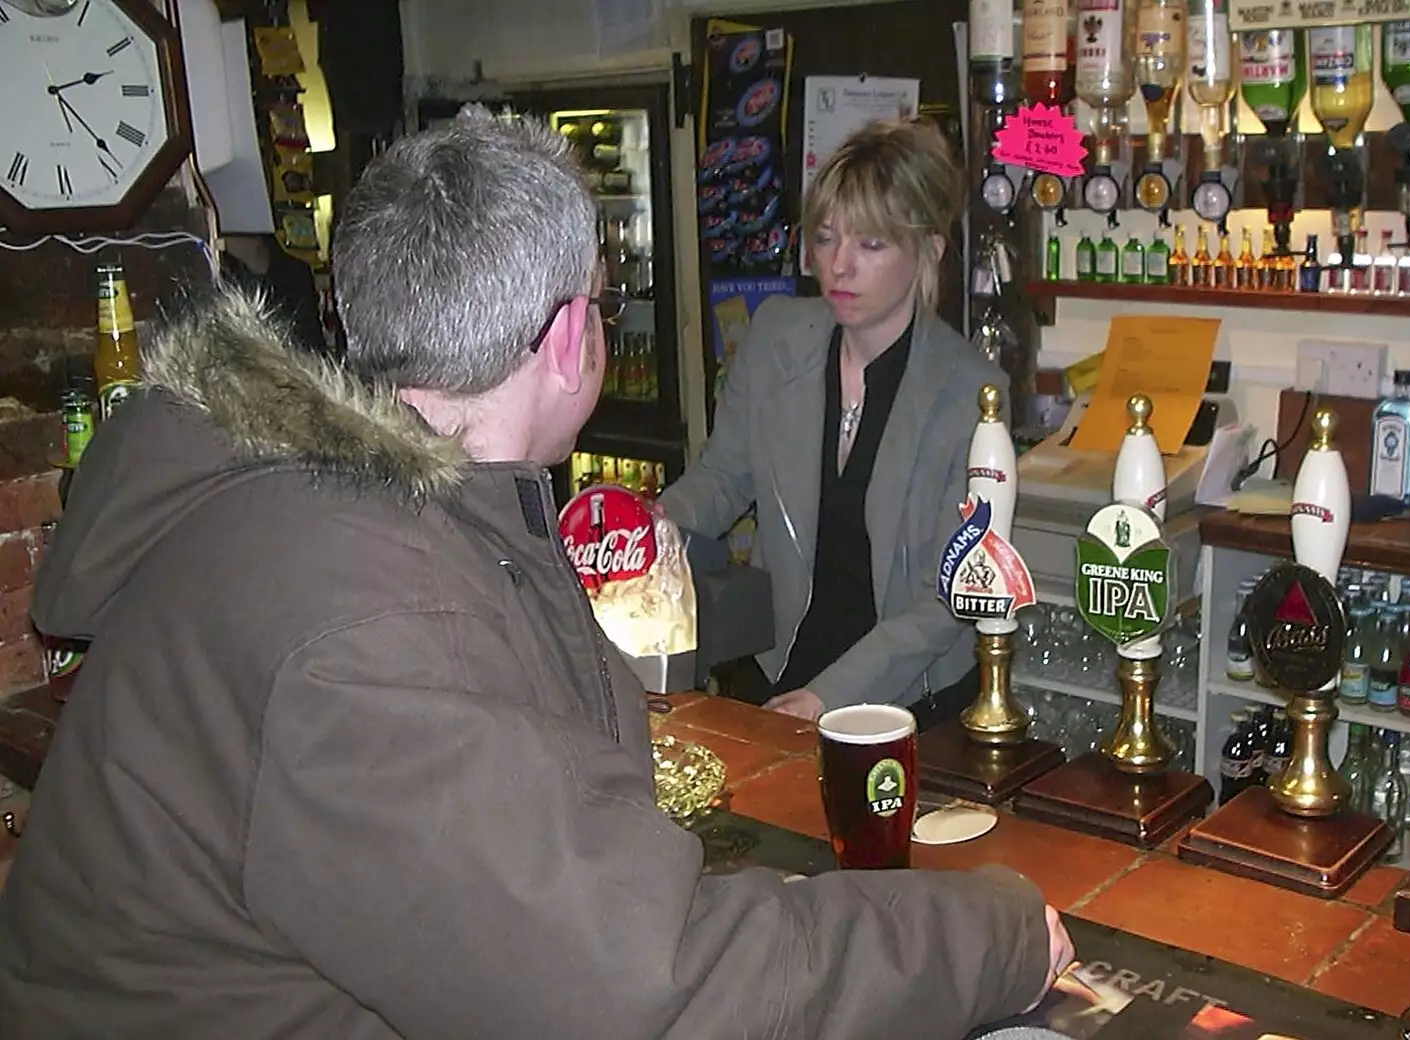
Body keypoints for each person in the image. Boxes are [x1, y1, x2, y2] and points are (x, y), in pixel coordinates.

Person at [0, 110, 1072, 1038]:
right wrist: (997, 930)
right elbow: (653, 995)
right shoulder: (371, 615)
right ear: (570, 337)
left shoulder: (335, 504)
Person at [661, 119, 999, 725]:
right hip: (780, 667)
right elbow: (723, 477)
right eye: (824, 238)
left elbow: (949, 599)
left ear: (929, 250)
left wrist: (828, 699)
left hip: (908, 698)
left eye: (870, 244)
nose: (839, 265)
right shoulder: (775, 338)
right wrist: (650, 529)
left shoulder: (972, 394)